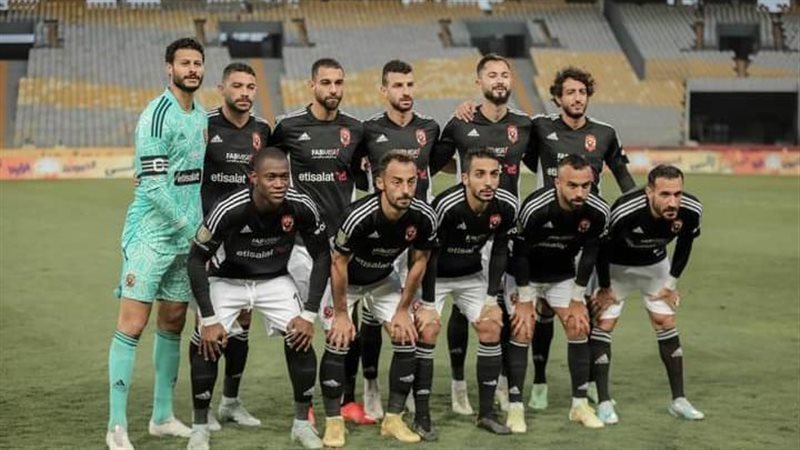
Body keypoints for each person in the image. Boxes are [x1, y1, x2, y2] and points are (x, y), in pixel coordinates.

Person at [186, 148, 330, 450]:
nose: (279, 184)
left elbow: (322, 256)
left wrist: (309, 314)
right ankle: (199, 427)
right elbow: (196, 260)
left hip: (274, 279)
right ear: (254, 178)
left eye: (284, 177)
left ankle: (302, 424)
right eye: (271, 177)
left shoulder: (300, 205)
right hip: (226, 280)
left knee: (300, 336)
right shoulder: (229, 209)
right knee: (206, 340)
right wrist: (208, 319)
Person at [107, 37, 207, 450]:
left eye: (198, 63)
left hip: (185, 240)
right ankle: (116, 426)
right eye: (185, 63)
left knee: (173, 321)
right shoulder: (156, 114)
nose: (192, 70)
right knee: (132, 324)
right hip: (151, 236)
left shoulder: (201, 114)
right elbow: (151, 186)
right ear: (169, 68)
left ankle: (162, 417)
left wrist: (192, 229)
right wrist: (189, 227)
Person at [523, 66, 636, 411]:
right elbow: (511, 143)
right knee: (543, 310)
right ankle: (539, 381)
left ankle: (588, 385)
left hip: (588, 234)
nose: (577, 98)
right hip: (548, 232)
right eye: (570, 92)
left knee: (587, 312)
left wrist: (636, 213)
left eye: (582, 92)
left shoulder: (605, 133)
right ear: (557, 98)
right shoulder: (540, 127)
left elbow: (624, 178)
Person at [430, 53, 533, 414]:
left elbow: (548, 160)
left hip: (504, 229)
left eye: (505, 74)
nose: (499, 80)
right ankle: (459, 385)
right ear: (479, 82)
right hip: (465, 229)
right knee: (462, 311)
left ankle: (502, 383)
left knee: (499, 308)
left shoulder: (525, 125)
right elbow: (434, 163)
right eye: (492, 75)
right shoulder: (461, 122)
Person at [269, 58, 369, 424]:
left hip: (342, 245)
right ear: (312, 85)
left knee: (345, 322)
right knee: (301, 325)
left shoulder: (355, 129)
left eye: (338, 82)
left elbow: (365, 174)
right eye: (326, 82)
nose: (333, 89)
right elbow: (264, 165)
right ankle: (306, 403)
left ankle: (347, 401)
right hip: (300, 246)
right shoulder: (289, 127)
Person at [320, 151, 437, 446]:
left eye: (411, 182)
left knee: (406, 335)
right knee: (338, 339)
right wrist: (342, 314)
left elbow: (420, 261)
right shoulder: (358, 216)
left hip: (382, 280)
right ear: (380, 183)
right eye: (397, 182)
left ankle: (393, 419)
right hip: (345, 282)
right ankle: (333, 421)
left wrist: (403, 309)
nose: (406, 190)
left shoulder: (424, 216)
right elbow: (338, 264)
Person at [354, 59, 441, 421]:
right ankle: (371, 384)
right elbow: (355, 173)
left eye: (409, 85)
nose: (405, 92)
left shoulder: (430, 128)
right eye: (397, 85)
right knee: (374, 317)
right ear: (384, 90)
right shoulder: (368, 130)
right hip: (381, 234)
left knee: (414, 314)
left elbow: (441, 163)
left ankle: (409, 391)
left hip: (416, 232)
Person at [591, 164, 705, 424]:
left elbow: (685, 243)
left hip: (654, 266)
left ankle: (679, 400)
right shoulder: (624, 211)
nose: (673, 202)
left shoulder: (691, 209)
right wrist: (604, 287)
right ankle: (604, 402)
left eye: (677, 193)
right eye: (665, 194)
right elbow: (601, 248)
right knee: (604, 323)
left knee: (665, 321)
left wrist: (671, 284)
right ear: (649, 192)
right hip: (617, 267)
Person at [195, 62, 271, 432]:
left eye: (250, 86)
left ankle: (231, 401)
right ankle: (204, 407)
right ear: (222, 88)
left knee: (244, 319)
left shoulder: (263, 130)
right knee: (209, 322)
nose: (244, 92)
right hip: (210, 239)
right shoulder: (204, 125)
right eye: (237, 86)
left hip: (247, 239)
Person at [422, 149, 518, 436]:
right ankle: (422, 416)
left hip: (471, 275)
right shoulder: (446, 206)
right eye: (480, 174)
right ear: (465, 178)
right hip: (436, 276)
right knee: (427, 330)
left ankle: (486, 413)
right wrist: (427, 303)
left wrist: (491, 299)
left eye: (494, 174)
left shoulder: (505, 205)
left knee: (491, 326)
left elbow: (500, 250)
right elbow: (427, 255)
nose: (488, 182)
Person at [508, 154, 607, 430]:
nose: (580, 193)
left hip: (561, 274)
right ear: (557, 183)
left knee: (579, 325)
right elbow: (519, 253)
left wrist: (577, 298)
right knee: (522, 329)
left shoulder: (598, 211)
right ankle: (515, 408)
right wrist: (525, 299)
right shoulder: (535, 208)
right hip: (525, 274)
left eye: (586, 186)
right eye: (572, 185)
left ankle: (579, 406)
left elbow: (591, 253)